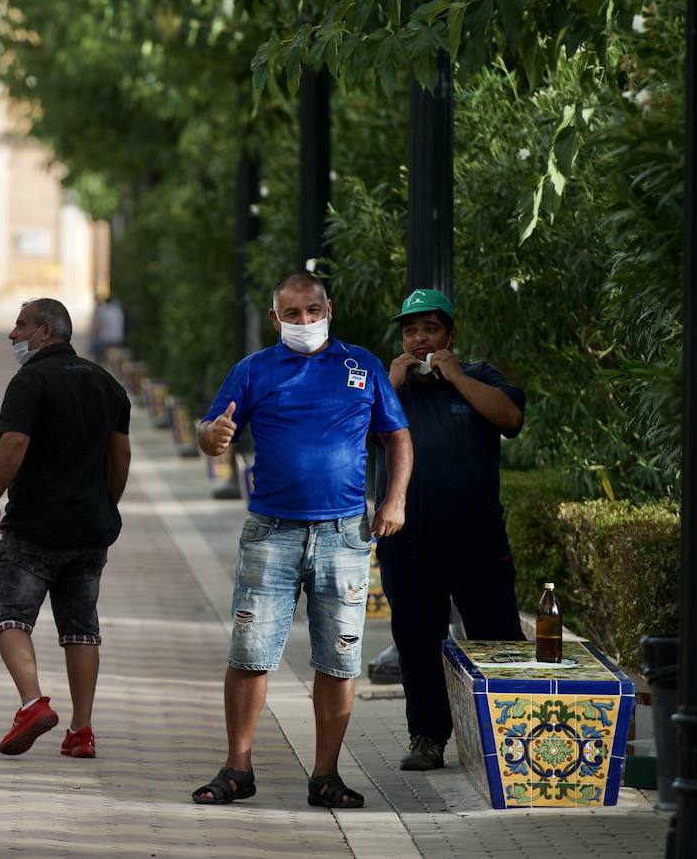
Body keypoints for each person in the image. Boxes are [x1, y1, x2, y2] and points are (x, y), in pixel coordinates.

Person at [190, 272, 412, 809]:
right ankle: (237, 769)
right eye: (293, 314)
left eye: (314, 311)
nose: (306, 322)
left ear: (329, 308)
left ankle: (326, 776)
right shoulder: (254, 370)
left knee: (338, 658)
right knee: (250, 653)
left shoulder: (363, 366)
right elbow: (209, 430)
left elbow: (397, 436)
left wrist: (394, 500)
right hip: (272, 531)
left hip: (344, 534)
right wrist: (211, 437)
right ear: (276, 319)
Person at [380, 288, 528, 772]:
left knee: (497, 637)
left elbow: (510, 419)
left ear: (450, 334)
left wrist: (458, 377)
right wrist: (389, 383)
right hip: (409, 539)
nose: (419, 339)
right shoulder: (392, 387)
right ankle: (427, 737)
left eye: (430, 329)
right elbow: (352, 432)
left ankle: (512, 734)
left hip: (477, 538)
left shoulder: (480, 377)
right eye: (410, 330)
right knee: (417, 640)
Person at [0, 298, 131, 759]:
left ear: (45, 331)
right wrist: (106, 503)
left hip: (35, 526)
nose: (13, 334)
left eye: (20, 325)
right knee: (82, 629)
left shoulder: (30, 380)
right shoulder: (107, 383)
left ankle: (32, 703)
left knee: (9, 617)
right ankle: (81, 731)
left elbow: (15, 443)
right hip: (90, 529)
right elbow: (120, 454)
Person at [89, 294, 125, 362]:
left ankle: (100, 363)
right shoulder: (118, 310)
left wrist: (92, 334)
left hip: (107, 339)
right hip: (119, 338)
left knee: (94, 344)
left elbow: (98, 326)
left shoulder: (104, 311)